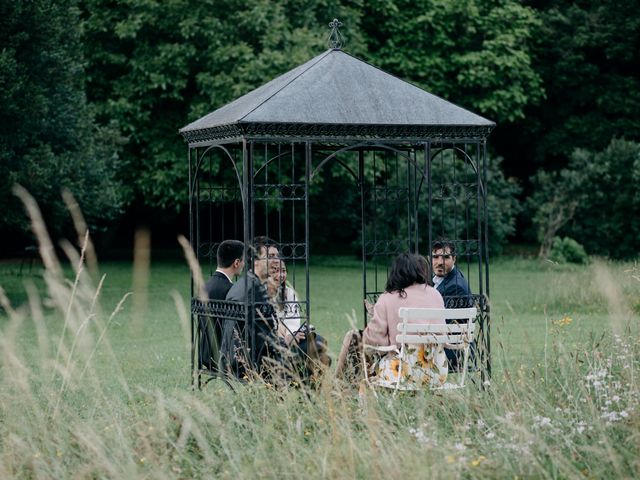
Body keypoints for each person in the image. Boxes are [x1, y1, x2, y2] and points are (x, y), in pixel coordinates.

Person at [342, 253, 447, 389]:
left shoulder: (387, 298)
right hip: (437, 372)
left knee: (355, 341)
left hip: (400, 373)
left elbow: (374, 342)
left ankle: (340, 389)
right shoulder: (435, 294)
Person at [219, 237, 280, 380]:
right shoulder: (255, 290)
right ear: (255, 261)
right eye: (270, 257)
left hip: (229, 357)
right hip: (246, 362)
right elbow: (266, 340)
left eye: (277, 256)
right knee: (314, 348)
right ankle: (306, 400)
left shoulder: (244, 283)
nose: (276, 261)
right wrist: (288, 340)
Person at [268, 258, 331, 374]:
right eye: (275, 271)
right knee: (312, 352)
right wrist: (284, 339)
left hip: (292, 336)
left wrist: (291, 335)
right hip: (275, 342)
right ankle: (305, 382)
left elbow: (293, 320)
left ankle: (313, 384)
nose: (280, 275)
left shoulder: (289, 293)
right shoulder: (261, 294)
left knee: (320, 342)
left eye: (283, 271)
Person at [199, 239, 245, 373]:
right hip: (225, 358)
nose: (244, 264)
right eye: (243, 261)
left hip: (206, 355)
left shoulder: (205, 287)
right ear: (236, 263)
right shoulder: (231, 291)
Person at [431, 239, 474, 370]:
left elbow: (439, 324)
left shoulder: (455, 287)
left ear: (454, 259)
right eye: (435, 257)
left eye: (445, 257)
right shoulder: (448, 279)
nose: (439, 262)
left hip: (452, 350)